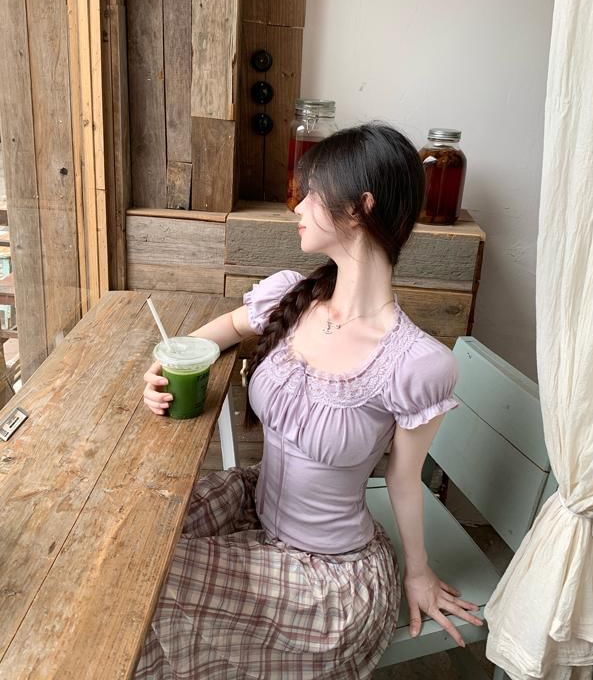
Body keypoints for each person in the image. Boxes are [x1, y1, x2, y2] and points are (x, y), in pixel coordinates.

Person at [135, 122, 484, 679]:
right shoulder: (293, 296)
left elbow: (403, 478)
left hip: (328, 581)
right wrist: (171, 361)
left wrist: (417, 573)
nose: (297, 205)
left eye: (313, 193)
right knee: (132, 531)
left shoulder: (416, 363)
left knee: (146, 583)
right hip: (254, 505)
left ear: (361, 208)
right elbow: (227, 328)